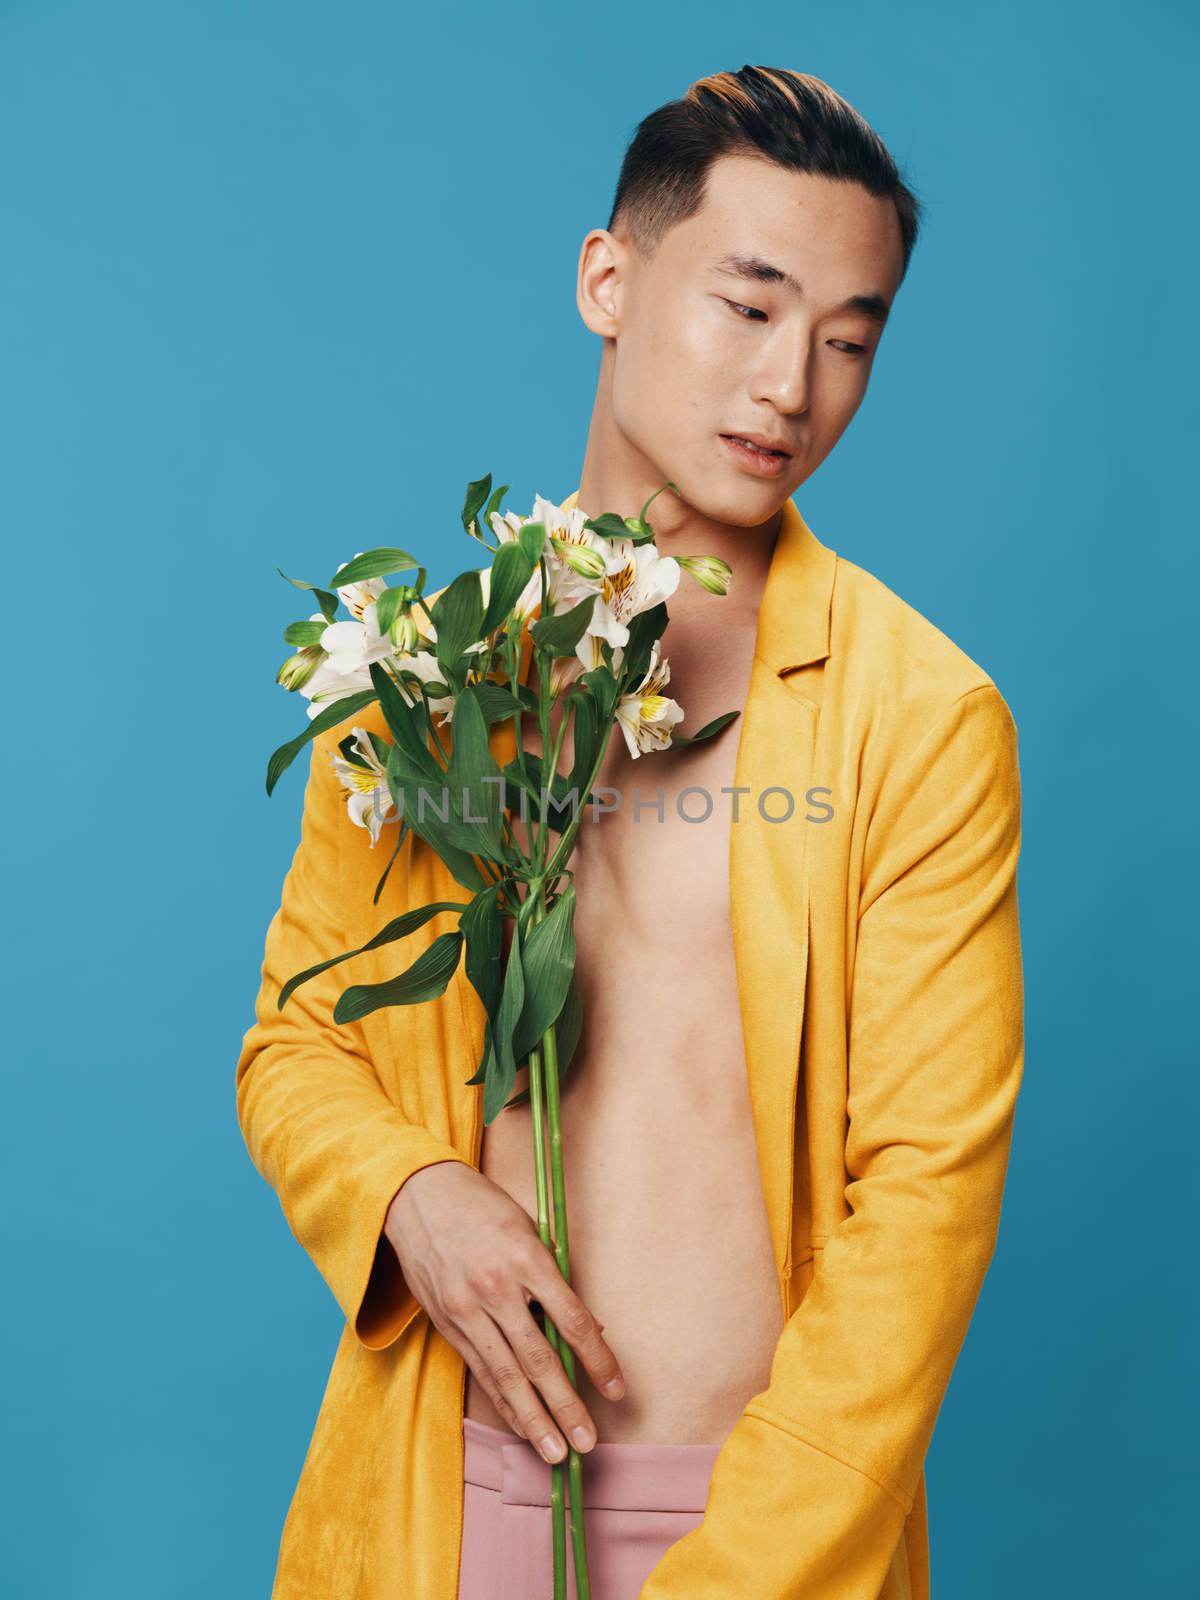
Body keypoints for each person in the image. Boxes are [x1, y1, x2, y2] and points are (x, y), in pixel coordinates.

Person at [235, 64, 1024, 1599]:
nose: (791, 386)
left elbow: (925, 1201)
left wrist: (747, 1572)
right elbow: (297, 1042)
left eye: (848, 339)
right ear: (610, 278)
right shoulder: (423, 672)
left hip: (772, 1525)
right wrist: (411, 1195)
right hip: (435, 1499)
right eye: (750, 307)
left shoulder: (917, 717)